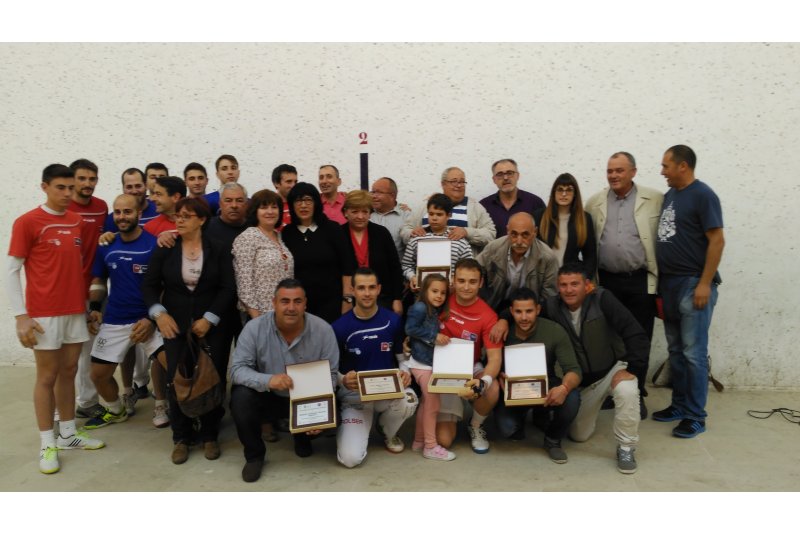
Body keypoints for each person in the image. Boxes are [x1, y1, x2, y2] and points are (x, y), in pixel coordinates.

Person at [7, 164, 104, 474]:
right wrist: (21, 316)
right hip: (43, 314)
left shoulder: (76, 221)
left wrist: (86, 308)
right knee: (46, 377)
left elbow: (74, 269)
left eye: (70, 188)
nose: (67, 193)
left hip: (75, 310)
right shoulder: (27, 222)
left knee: (69, 371)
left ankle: (68, 434)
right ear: (44, 187)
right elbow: (10, 270)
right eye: (60, 188)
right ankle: (47, 442)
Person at [142, 197, 237, 465]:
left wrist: (210, 318)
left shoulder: (218, 249)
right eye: (178, 216)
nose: (179, 220)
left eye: (186, 216)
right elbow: (149, 285)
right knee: (177, 378)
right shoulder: (166, 247)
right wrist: (159, 314)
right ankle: (181, 437)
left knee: (212, 379)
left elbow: (228, 288)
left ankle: (209, 434)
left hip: (212, 328)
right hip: (175, 326)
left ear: (202, 220)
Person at [540, 263, 649, 474]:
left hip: (612, 370)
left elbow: (636, 334)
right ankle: (595, 407)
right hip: (583, 383)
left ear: (587, 285)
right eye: (564, 285)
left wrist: (632, 369)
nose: (569, 290)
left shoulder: (603, 299)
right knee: (578, 435)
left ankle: (626, 447)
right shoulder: (552, 306)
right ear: (557, 287)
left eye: (575, 284)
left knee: (626, 389)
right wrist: (504, 321)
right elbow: (525, 315)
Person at [229, 279, 339, 482]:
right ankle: (254, 456)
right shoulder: (254, 328)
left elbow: (331, 376)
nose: (291, 308)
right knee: (240, 398)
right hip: (269, 397)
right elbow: (236, 371)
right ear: (274, 303)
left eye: (297, 301)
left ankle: (303, 435)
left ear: (305, 303)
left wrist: (319, 412)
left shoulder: (323, 330)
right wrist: (268, 380)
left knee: (336, 412)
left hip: (305, 399)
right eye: (285, 301)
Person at [652, 145, 724, 439]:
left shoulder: (703, 195)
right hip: (669, 284)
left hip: (693, 284)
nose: (662, 171)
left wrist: (705, 283)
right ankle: (679, 405)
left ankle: (696, 416)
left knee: (694, 354)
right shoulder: (671, 196)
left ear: (683, 166)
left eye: (666, 166)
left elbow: (717, 240)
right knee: (677, 352)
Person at [585, 151, 663, 414]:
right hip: (606, 282)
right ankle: (614, 391)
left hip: (639, 281)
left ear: (633, 171)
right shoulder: (595, 201)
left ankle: (637, 393)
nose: (614, 176)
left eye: (619, 170)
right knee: (611, 338)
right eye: (610, 171)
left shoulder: (654, 199)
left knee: (639, 337)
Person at [83, 194, 163, 429]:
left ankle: (163, 404)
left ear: (139, 214)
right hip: (116, 319)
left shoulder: (154, 244)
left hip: (149, 319)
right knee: (97, 374)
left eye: (127, 212)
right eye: (117, 212)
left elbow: (163, 287)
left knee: (176, 369)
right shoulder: (107, 245)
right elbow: (99, 279)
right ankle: (116, 410)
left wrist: (152, 318)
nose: (122, 217)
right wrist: (96, 308)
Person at [333, 268, 418, 467]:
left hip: (385, 391)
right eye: (361, 288)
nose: (367, 293)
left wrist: (405, 372)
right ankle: (354, 427)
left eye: (372, 287)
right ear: (352, 290)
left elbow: (401, 357)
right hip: (355, 398)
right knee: (350, 460)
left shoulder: (393, 320)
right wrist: (342, 379)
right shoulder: (338, 327)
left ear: (379, 289)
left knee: (410, 399)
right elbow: (330, 369)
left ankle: (386, 430)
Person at [494, 288, 581, 463]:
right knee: (508, 430)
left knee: (572, 397)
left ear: (538, 310)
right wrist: (498, 378)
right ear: (511, 311)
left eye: (529, 311)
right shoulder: (503, 332)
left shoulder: (554, 331)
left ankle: (553, 439)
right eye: (518, 312)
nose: (524, 317)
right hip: (513, 390)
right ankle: (528, 416)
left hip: (546, 386)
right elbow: (488, 363)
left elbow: (574, 370)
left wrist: (563, 388)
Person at [437, 258, 503, 454]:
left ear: (481, 283)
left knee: (492, 389)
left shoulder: (488, 315)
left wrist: (484, 382)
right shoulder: (440, 298)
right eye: (461, 281)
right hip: (440, 369)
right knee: (444, 441)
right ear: (453, 280)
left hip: (470, 366)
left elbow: (495, 359)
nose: (466, 287)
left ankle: (475, 425)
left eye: (472, 282)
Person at [67, 159, 109, 420]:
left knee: (92, 349)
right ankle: (76, 406)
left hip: (98, 290)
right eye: (82, 178)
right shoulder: (65, 210)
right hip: (70, 293)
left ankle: (87, 401)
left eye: (92, 179)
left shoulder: (102, 207)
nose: (87, 184)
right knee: (74, 353)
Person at [281, 182, 354, 324]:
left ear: (316, 203)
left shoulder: (333, 229)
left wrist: (348, 299)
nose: (303, 205)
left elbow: (347, 266)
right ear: (291, 205)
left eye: (308, 200)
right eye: (298, 201)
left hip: (332, 302)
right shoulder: (287, 234)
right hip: (299, 305)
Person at [404, 273, 454, 460]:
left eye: (442, 292)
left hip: (427, 363)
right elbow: (409, 329)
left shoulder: (433, 310)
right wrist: (433, 337)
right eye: (434, 291)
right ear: (425, 291)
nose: (439, 296)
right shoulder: (419, 307)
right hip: (421, 364)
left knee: (427, 404)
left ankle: (419, 441)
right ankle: (430, 446)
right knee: (433, 404)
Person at [402, 166, 496, 256]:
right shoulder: (426, 205)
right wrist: (413, 233)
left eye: (462, 182)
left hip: (463, 270)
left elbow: (491, 234)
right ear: (443, 184)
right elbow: (404, 231)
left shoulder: (475, 207)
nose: (458, 185)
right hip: (428, 269)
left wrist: (467, 232)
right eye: (454, 181)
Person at [476, 212, 559, 311]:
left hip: (529, 312)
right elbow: (474, 273)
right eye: (514, 234)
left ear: (535, 232)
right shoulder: (493, 249)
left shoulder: (547, 257)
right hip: (494, 307)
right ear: (507, 231)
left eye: (525, 235)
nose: (519, 241)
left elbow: (548, 298)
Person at [232, 189, 294, 319]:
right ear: (255, 212)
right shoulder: (247, 237)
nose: (270, 211)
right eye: (264, 207)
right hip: (259, 314)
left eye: (274, 207)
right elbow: (244, 283)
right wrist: (257, 319)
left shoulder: (279, 236)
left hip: (283, 312)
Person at [341, 190, 404, 315]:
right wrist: (346, 299)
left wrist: (397, 299)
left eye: (365, 211)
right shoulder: (338, 234)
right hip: (349, 300)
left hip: (381, 298)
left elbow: (395, 268)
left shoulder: (381, 233)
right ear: (345, 212)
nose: (360, 216)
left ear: (370, 213)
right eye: (355, 211)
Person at [401, 193, 473, 291]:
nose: (434, 218)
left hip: (451, 294)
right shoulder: (417, 238)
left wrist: (455, 279)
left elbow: (469, 268)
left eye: (439, 214)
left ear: (449, 215)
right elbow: (406, 265)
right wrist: (412, 277)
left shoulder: (459, 241)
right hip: (422, 294)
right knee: (419, 307)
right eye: (431, 214)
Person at [534, 173, 597, 279]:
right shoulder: (539, 216)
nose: (564, 194)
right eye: (560, 189)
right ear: (554, 193)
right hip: (543, 278)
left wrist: (586, 279)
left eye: (569, 190)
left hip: (570, 280)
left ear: (575, 194)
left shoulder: (585, 219)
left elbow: (590, 256)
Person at [479, 158, 546, 237]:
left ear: (517, 176)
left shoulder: (535, 203)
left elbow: (544, 234)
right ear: (494, 180)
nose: (506, 178)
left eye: (510, 173)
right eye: (500, 174)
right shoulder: (483, 206)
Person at [103, 167, 159, 232]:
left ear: (146, 186)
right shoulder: (115, 218)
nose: (134, 191)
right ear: (123, 188)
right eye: (129, 187)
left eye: (138, 186)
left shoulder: (159, 211)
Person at [369, 177, 411, 259]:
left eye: (378, 192)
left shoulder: (406, 215)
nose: (374, 196)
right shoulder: (366, 213)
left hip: (398, 269)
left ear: (392, 195)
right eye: (373, 192)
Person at [205, 182, 248, 248]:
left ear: (246, 204)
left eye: (239, 200)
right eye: (228, 200)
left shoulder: (255, 228)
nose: (234, 205)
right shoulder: (206, 228)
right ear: (220, 203)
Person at [271, 164, 298, 229]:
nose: (293, 185)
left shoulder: (301, 205)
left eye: (295, 182)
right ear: (276, 183)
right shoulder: (268, 207)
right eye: (289, 182)